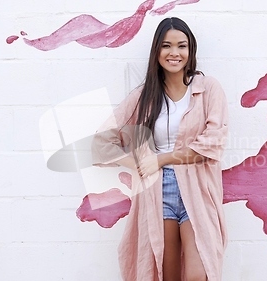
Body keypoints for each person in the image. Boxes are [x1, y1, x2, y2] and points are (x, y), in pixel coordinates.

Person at [91, 17, 228, 281]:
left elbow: (213, 142)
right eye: (166, 46)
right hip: (157, 191)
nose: (174, 53)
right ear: (157, 51)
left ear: (191, 51)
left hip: (198, 188)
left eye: (181, 46)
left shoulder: (207, 88)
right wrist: (138, 163)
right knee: (167, 274)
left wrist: (161, 158)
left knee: (199, 274)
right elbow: (100, 143)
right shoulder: (143, 97)